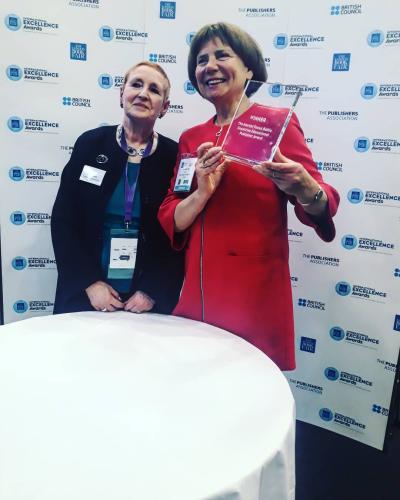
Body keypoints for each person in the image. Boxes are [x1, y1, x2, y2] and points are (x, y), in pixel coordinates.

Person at [158, 23, 340, 370]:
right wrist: (201, 194)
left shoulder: (277, 123)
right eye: (201, 60)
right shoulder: (191, 137)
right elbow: (172, 214)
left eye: (222, 55)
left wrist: (304, 187)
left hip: (253, 297)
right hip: (198, 294)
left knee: (248, 390)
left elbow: (322, 202)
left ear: (249, 69)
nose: (209, 66)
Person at [51, 61, 183, 314]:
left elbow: (177, 234)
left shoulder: (173, 156)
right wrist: (89, 282)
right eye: (136, 84)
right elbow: (64, 220)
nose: (143, 93)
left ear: (165, 107)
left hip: (146, 301)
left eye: (154, 89)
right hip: (87, 292)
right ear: (122, 95)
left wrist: (152, 290)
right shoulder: (90, 144)